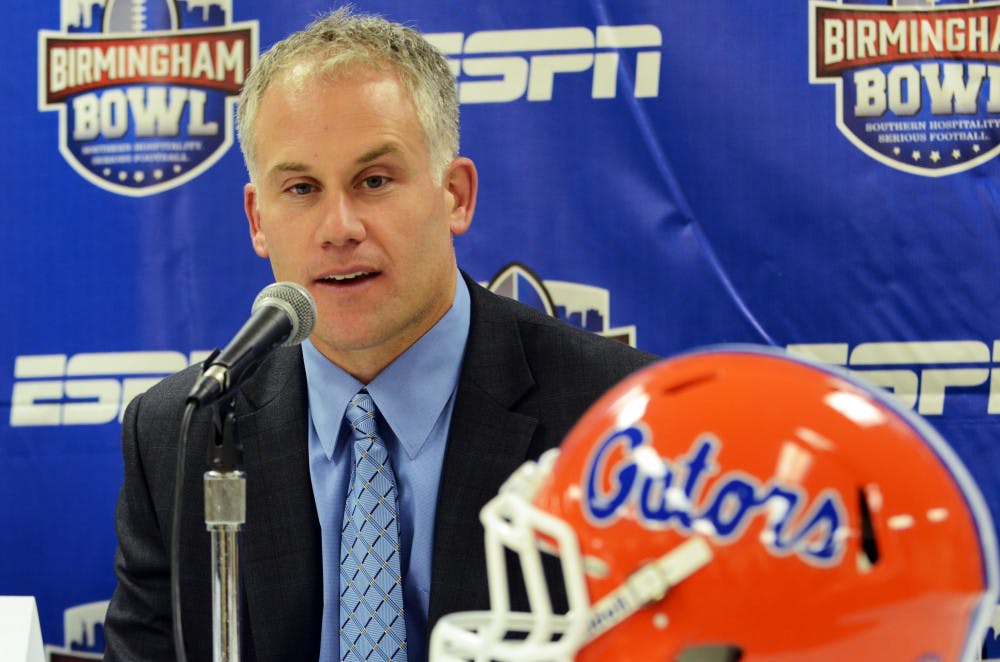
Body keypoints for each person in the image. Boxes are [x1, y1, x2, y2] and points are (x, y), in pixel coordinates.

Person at [103, 7, 657, 661]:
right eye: (302, 187)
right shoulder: (184, 432)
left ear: (455, 194)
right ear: (258, 219)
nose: (338, 227)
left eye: (374, 181)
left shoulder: (614, 417)